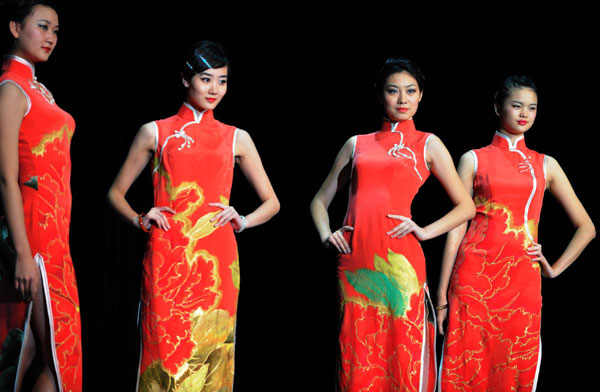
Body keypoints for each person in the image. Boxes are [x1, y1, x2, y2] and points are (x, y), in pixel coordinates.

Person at [107, 40, 279, 392]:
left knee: (213, 355)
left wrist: (242, 219)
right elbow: (114, 194)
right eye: (206, 79)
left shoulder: (237, 138)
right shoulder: (155, 131)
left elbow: (272, 202)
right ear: (186, 79)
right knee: (164, 355)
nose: (214, 89)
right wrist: (142, 218)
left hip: (217, 262)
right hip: (166, 256)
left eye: (223, 81)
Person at [310, 57, 475, 392]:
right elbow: (318, 201)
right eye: (393, 91)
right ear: (379, 94)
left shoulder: (428, 143)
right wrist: (328, 236)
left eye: (410, 91)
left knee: (404, 352)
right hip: (355, 263)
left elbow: (466, 206)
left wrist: (425, 231)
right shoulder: (356, 143)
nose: (402, 99)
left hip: (402, 263)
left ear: (421, 95)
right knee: (356, 353)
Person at [436, 75, 595, 391]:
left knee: (513, 371)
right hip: (472, 279)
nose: (524, 114)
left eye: (532, 108)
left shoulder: (545, 165)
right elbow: (455, 228)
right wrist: (441, 295)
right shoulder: (473, 158)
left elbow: (586, 227)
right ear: (498, 106)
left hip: (521, 282)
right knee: (464, 368)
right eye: (516, 105)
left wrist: (552, 268)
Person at [0, 1, 83, 391]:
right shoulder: (11, 88)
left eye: (56, 31)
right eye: (43, 27)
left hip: (55, 237)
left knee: (54, 358)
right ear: (15, 28)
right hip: (32, 234)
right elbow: (5, 177)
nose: (51, 37)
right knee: (42, 357)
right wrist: (21, 253)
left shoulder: (40, 90)